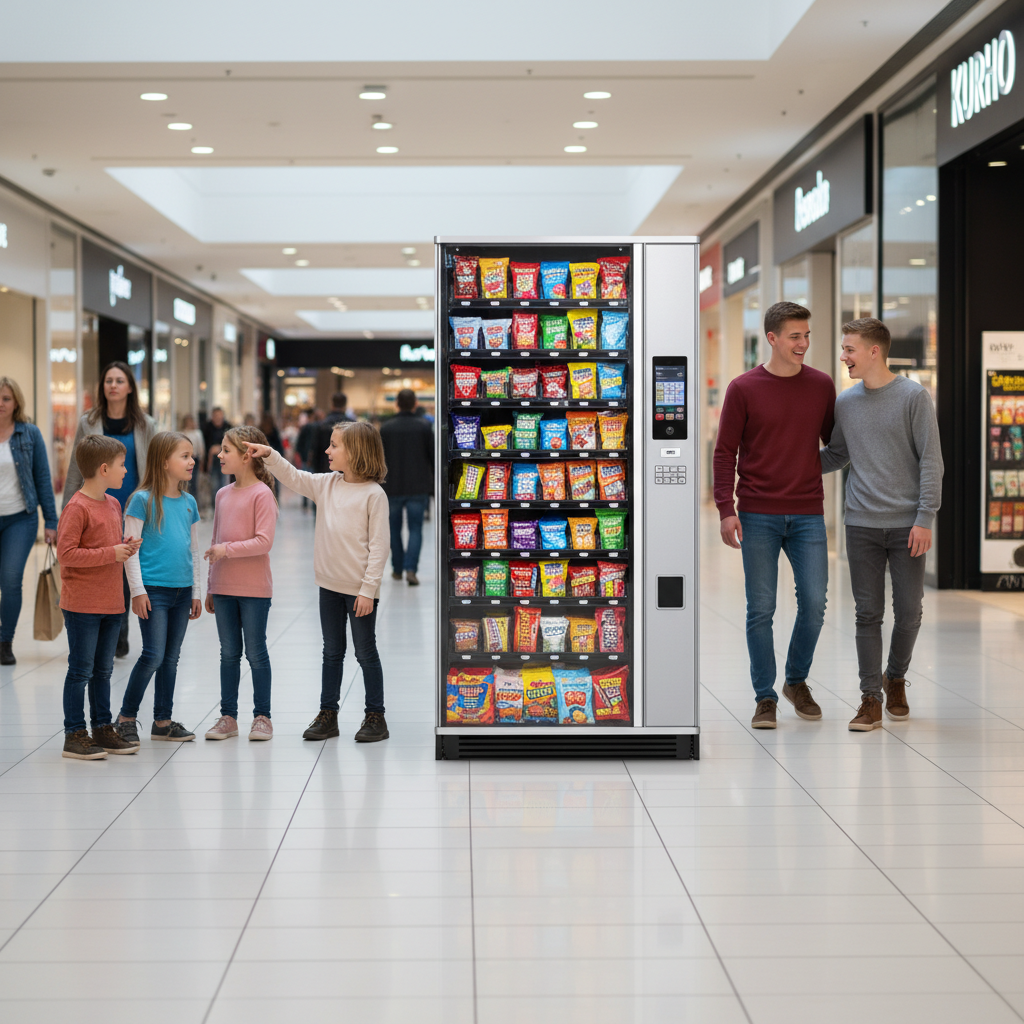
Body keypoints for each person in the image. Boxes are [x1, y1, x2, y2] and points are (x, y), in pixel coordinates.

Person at [713, 301, 836, 730]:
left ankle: (796, 681)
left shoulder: (821, 385)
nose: (803, 343)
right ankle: (765, 697)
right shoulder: (743, 388)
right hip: (758, 514)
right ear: (772, 338)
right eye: (795, 336)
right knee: (760, 609)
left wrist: (805, 465)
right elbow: (724, 452)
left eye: (806, 335)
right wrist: (726, 510)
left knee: (816, 604)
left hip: (807, 514)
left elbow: (836, 444)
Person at [820, 318, 944, 732]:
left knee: (909, 613)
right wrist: (783, 460)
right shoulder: (846, 403)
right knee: (867, 613)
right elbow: (836, 455)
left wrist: (925, 517)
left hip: (908, 524)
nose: (844, 356)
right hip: (861, 524)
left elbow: (931, 460)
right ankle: (870, 698)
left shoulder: (913, 397)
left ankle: (896, 677)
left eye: (849, 349)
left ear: (874, 351)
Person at [245, 422, 390, 743]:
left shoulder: (374, 495)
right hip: (329, 586)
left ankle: (376, 715)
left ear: (355, 453)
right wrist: (269, 454)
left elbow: (380, 548)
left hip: (360, 592)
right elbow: (294, 477)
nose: (327, 450)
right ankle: (328, 714)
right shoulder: (326, 484)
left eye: (334, 445)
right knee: (332, 652)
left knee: (365, 652)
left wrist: (368, 590)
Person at [56, 435, 142, 759]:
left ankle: (102, 727)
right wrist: (112, 552)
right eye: (122, 465)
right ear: (104, 469)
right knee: (80, 670)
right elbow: (67, 554)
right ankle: (74, 733)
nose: (126, 470)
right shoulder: (76, 507)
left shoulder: (114, 504)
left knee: (104, 670)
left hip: (110, 602)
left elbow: (109, 547)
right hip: (82, 605)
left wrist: (125, 546)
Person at [64, 361, 157, 660]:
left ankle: (119, 633)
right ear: (102, 387)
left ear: (130, 386)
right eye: (108, 381)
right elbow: (75, 469)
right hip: (96, 506)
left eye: (119, 380)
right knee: (106, 563)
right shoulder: (87, 422)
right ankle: (109, 631)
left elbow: (152, 468)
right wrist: (66, 510)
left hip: (133, 507)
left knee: (127, 564)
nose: (113, 385)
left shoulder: (146, 424)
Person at [116, 432, 202, 745]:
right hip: (154, 591)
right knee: (152, 654)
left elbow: (193, 550)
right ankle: (126, 717)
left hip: (182, 591)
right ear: (164, 463)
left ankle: (163, 721)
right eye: (184, 455)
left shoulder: (190, 502)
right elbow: (131, 551)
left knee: (171, 657)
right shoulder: (141, 500)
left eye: (191, 455)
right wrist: (137, 591)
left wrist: (196, 592)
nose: (192, 461)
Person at [203, 426, 278, 742]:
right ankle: (227, 716)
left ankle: (262, 716)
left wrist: (226, 550)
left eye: (226, 450)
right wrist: (210, 585)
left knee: (256, 652)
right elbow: (214, 540)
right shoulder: (221, 494)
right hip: (223, 589)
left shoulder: (262, 494)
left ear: (248, 455)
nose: (219, 455)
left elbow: (264, 542)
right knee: (228, 653)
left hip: (253, 590)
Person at [0, 377, 58, 665]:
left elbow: (43, 478)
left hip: (19, 519)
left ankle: (5, 641)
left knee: (10, 580)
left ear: (16, 402)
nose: (0, 403)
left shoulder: (29, 434)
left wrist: (51, 520)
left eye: (6, 398)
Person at [379, 388, 433, 586]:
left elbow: (379, 459)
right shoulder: (424, 427)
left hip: (391, 486)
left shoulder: (386, 428)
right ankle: (411, 569)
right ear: (415, 403)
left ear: (397, 404)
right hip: (418, 486)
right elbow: (432, 457)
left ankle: (397, 568)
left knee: (393, 529)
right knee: (416, 529)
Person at [311, 393, 354, 474]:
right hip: (347, 471)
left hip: (325, 469)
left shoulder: (321, 425)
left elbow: (315, 450)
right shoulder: (353, 425)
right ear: (345, 405)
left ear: (331, 404)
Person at [202, 407, 232, 499]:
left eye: (219, 415)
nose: (218, 418)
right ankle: (215, 506)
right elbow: (204, 445)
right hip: (212, 460)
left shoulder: (228, 427)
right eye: (215, 415)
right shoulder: (207, 428)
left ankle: (224, 503)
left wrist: (220, 448)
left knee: (225, 483)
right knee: (213, 484)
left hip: (225, 460)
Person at [179, 414, 205, 501]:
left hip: (195, 458)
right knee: (184, 480)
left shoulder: (197, 433)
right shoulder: (182, 433)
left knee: (194, 480)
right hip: (184, 459)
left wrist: (201, 459)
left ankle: (194, 499)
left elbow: (200, 447)